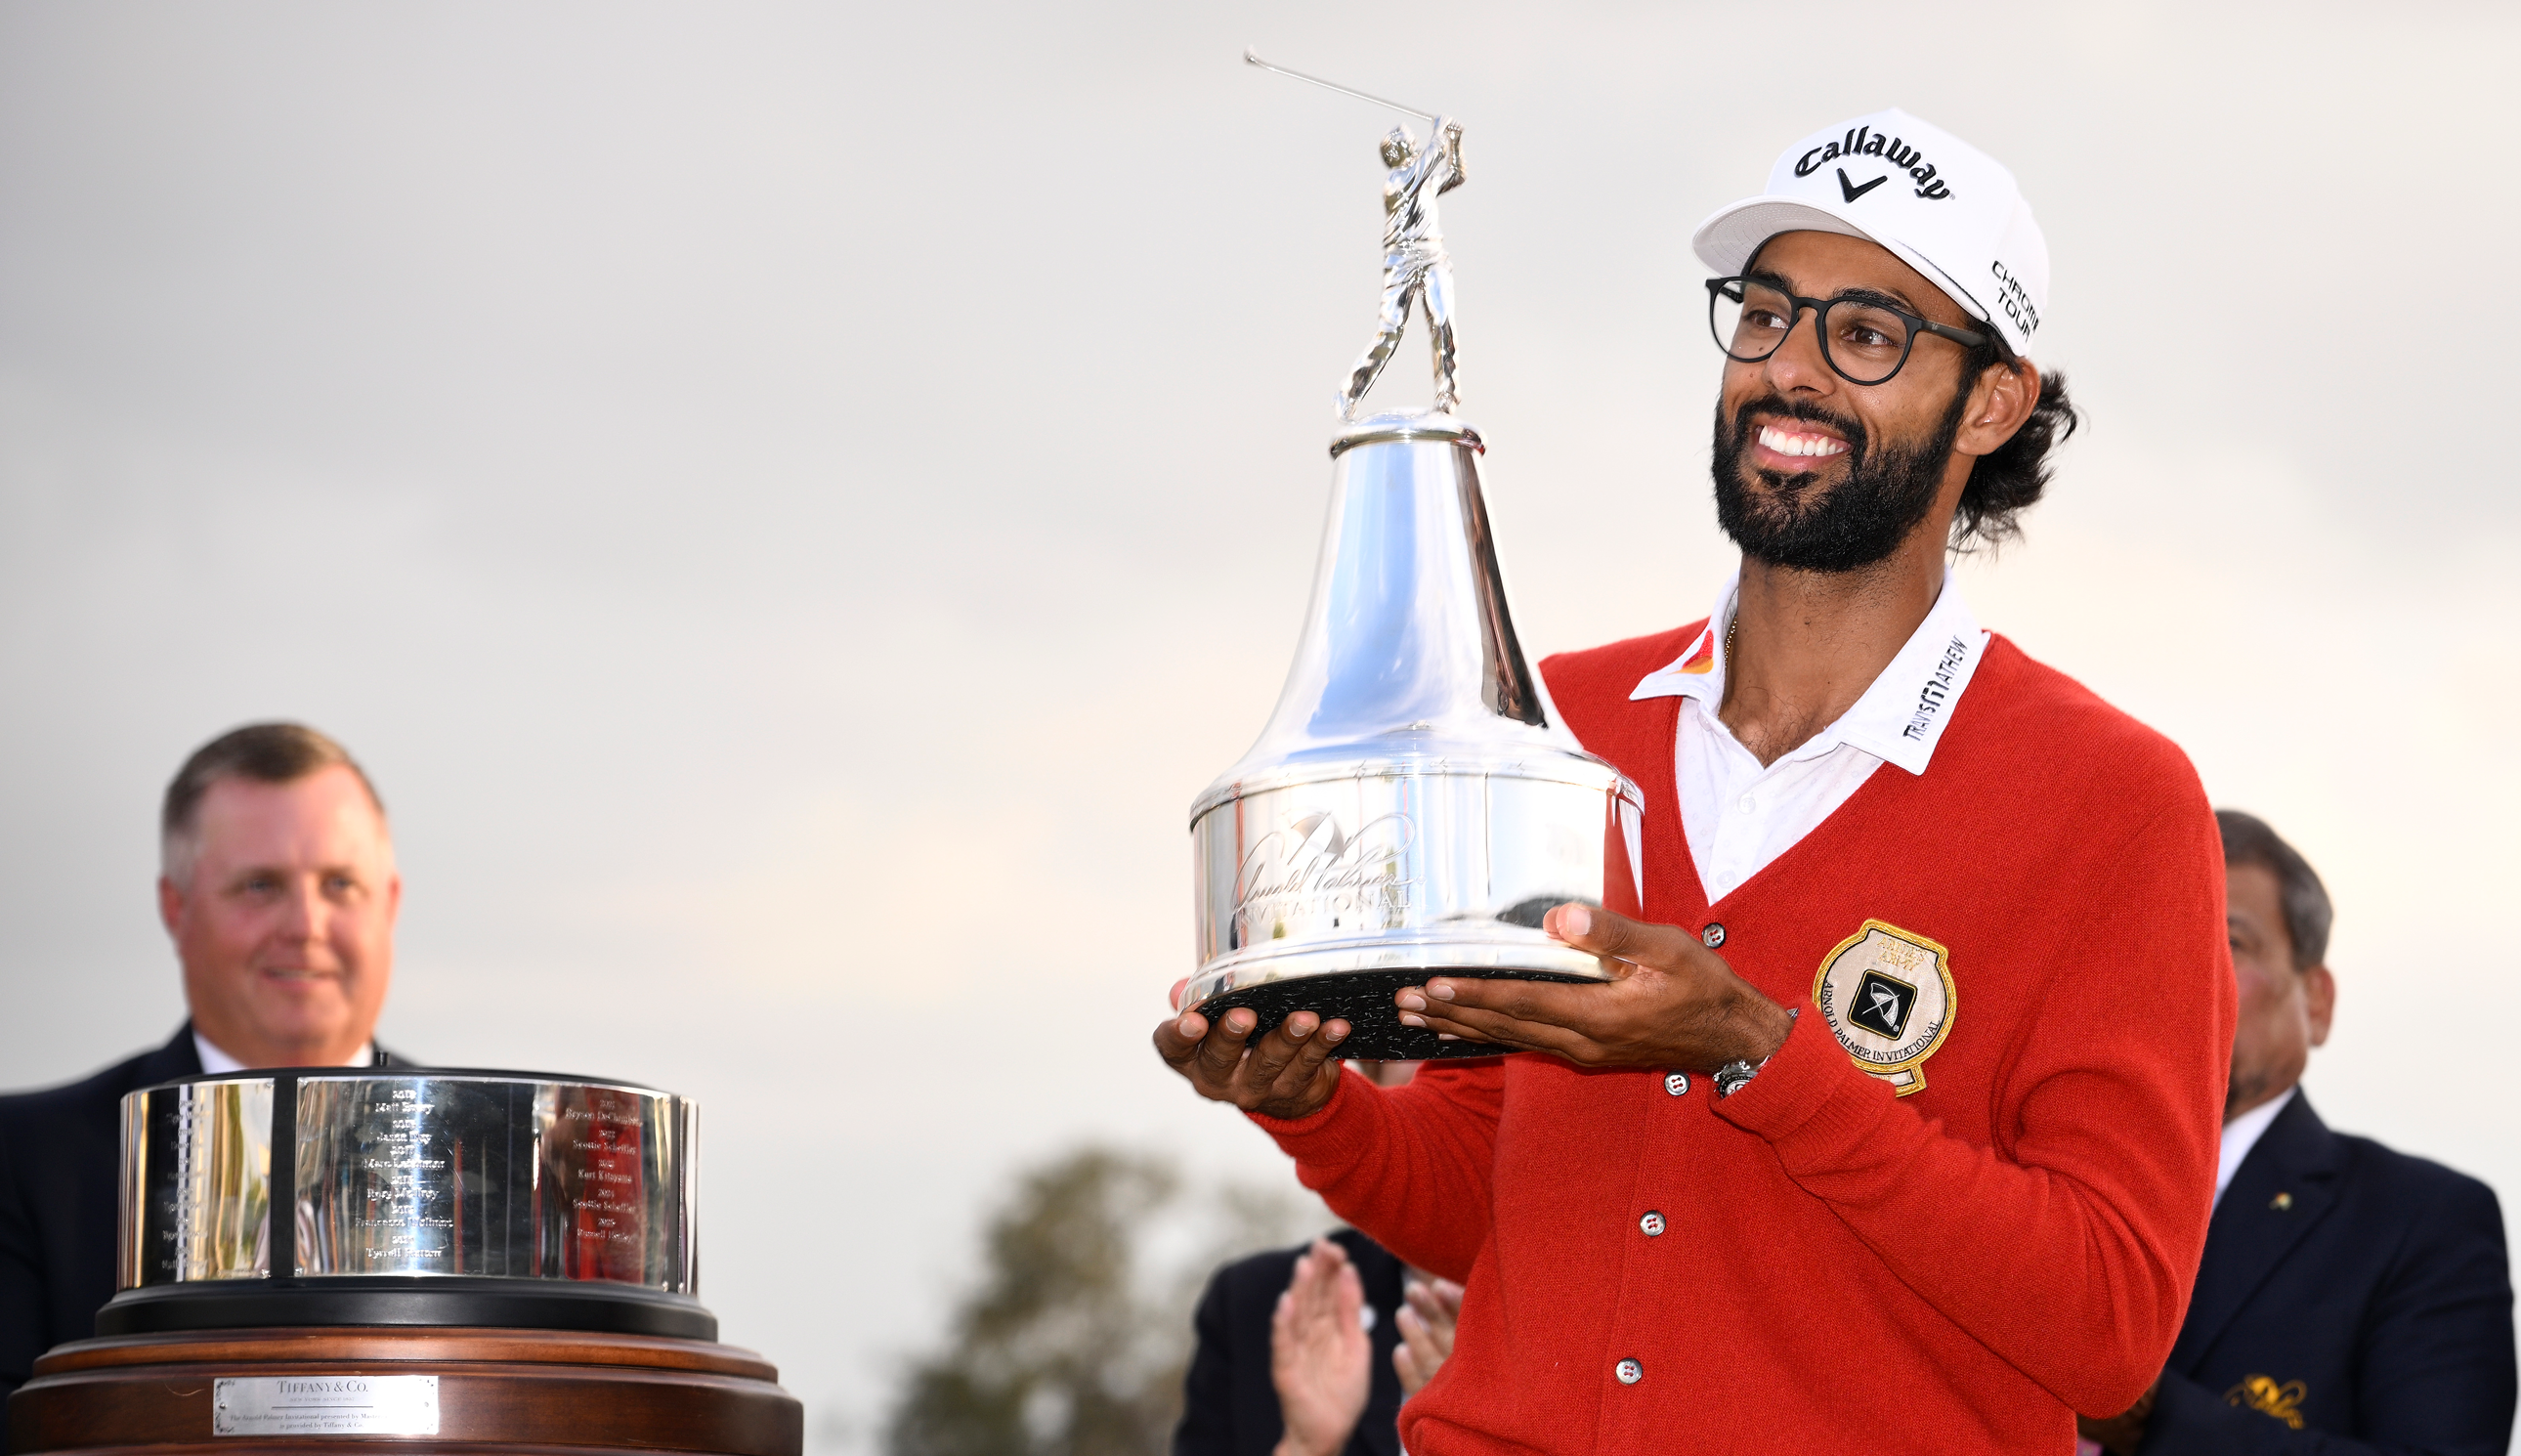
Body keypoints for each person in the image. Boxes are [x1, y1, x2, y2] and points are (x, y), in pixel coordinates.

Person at [1156, 108, 2236, 1454]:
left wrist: (1760, 1051)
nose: (1790, 373)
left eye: (1868, 334)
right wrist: (1319, 1110)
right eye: (1765, 315)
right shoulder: (1560, 718)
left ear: (1995, 402)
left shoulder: (2112, 797)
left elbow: (2112, 1325)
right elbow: (1496, 1197)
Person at [2074, 812, 2515, 1455]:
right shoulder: (2033, 1177)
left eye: (2228, 942)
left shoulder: (2423, 1222)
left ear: (2317, 1002)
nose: (2180, 972)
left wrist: (2155, 1421)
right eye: (2154, 939)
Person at [0, 723, 406, 1398]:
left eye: (339, 883)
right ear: (175, 908)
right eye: (259, 885)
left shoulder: (495, 1166)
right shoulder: (23, 1164)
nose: (305, 924)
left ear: (389, 903)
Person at [1175, 1062, 1465, 1456]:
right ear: (1368, 1096)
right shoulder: (1257, 1305)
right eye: (1420, 1103)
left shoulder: (1575, 1316)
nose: (1459, 1138)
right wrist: (1306, 1447)